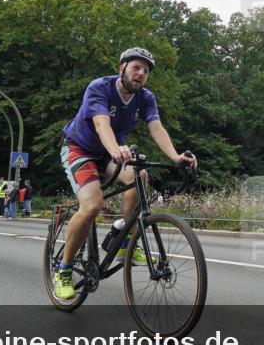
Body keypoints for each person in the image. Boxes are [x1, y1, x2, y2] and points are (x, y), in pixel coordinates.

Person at [54, 47, 197, 300]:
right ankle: (63, 271)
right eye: (136, 68)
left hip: (112, 153)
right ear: (122, 68)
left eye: (146, 70)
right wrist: (115, 150)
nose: (141, 73)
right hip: (80, 149)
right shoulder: (99, 87)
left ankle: (123, 238)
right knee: (92, 206)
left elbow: (156, 127)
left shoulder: (145, 98)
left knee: (139, 177)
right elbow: (101, 124)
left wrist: (175, 157)